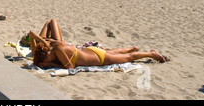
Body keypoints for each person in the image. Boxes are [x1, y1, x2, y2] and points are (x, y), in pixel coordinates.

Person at [29, 19, 166, 69]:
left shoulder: (58, 52)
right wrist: (43, 42)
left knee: (128, 58)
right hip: (91, 51)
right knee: (112, 52)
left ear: (47, 54)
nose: (48, 60)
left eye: (46, 59)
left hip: (97, 58)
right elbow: (32, 34)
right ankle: (130, 48)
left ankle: (151, 54)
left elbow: (70, 67)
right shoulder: (55, 46)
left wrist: (50, 64)